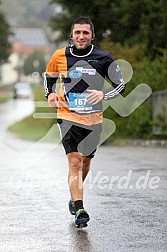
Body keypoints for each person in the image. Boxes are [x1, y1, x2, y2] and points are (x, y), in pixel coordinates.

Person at [44, 16, 125, 227]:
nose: (81, 36)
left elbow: (120, 84)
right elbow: (49, 76)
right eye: (77, 32)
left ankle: (74, 195)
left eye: (85, 33)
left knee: (86, 161)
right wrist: (50, 95)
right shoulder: (60, 55)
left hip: (93, 118)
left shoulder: (103, 57)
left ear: (92, 36)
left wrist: (103, 95)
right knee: (74, 161)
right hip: (67, 115)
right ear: (71, 35)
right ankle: (79, 207)